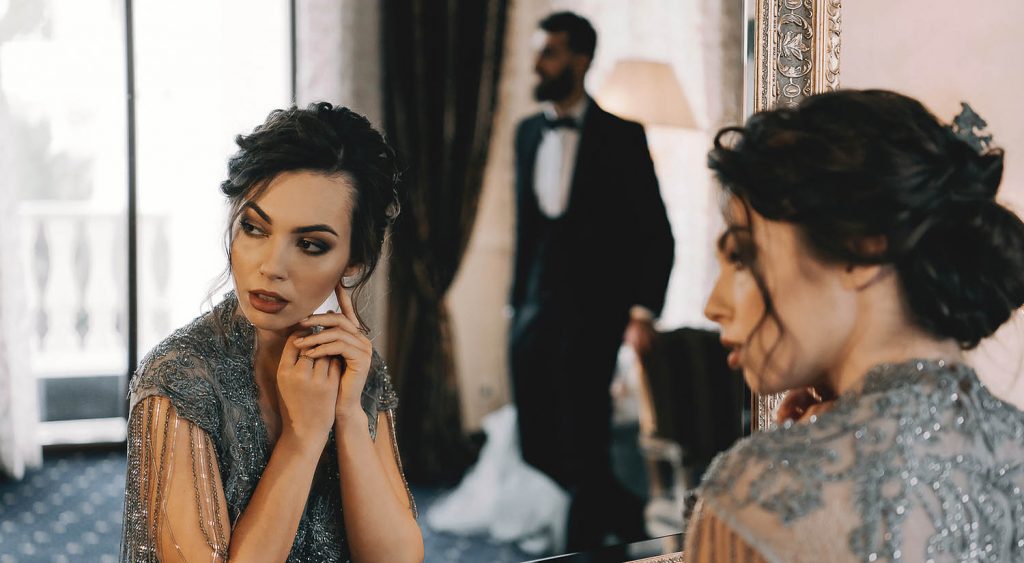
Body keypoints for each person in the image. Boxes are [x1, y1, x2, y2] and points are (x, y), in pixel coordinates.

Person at [687, 89, 1024, 561]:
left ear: (864, 248)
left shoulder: (757, 493)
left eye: (742, 257)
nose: (713, 306)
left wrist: (798, 457)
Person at [120, 103, 423, 562]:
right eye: (255, 228)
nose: (271, 267)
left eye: (310, 244)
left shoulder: (353, 362)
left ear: (353, 262)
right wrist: (301, 442)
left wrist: (347, 417)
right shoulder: (179, 380)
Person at [509, 11, 675, 550]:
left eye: (550, 51)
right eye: (538, 51)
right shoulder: (527, 133)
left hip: (595, 313)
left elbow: (656, 232)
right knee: (535, 442)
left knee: (585, 440)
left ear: (580, 60)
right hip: (534, 308)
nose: (537, 63)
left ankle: (582, 547)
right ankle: (628, 522)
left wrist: (642, 311)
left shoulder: (622, 136)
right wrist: (515, 307)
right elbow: (525, 229)